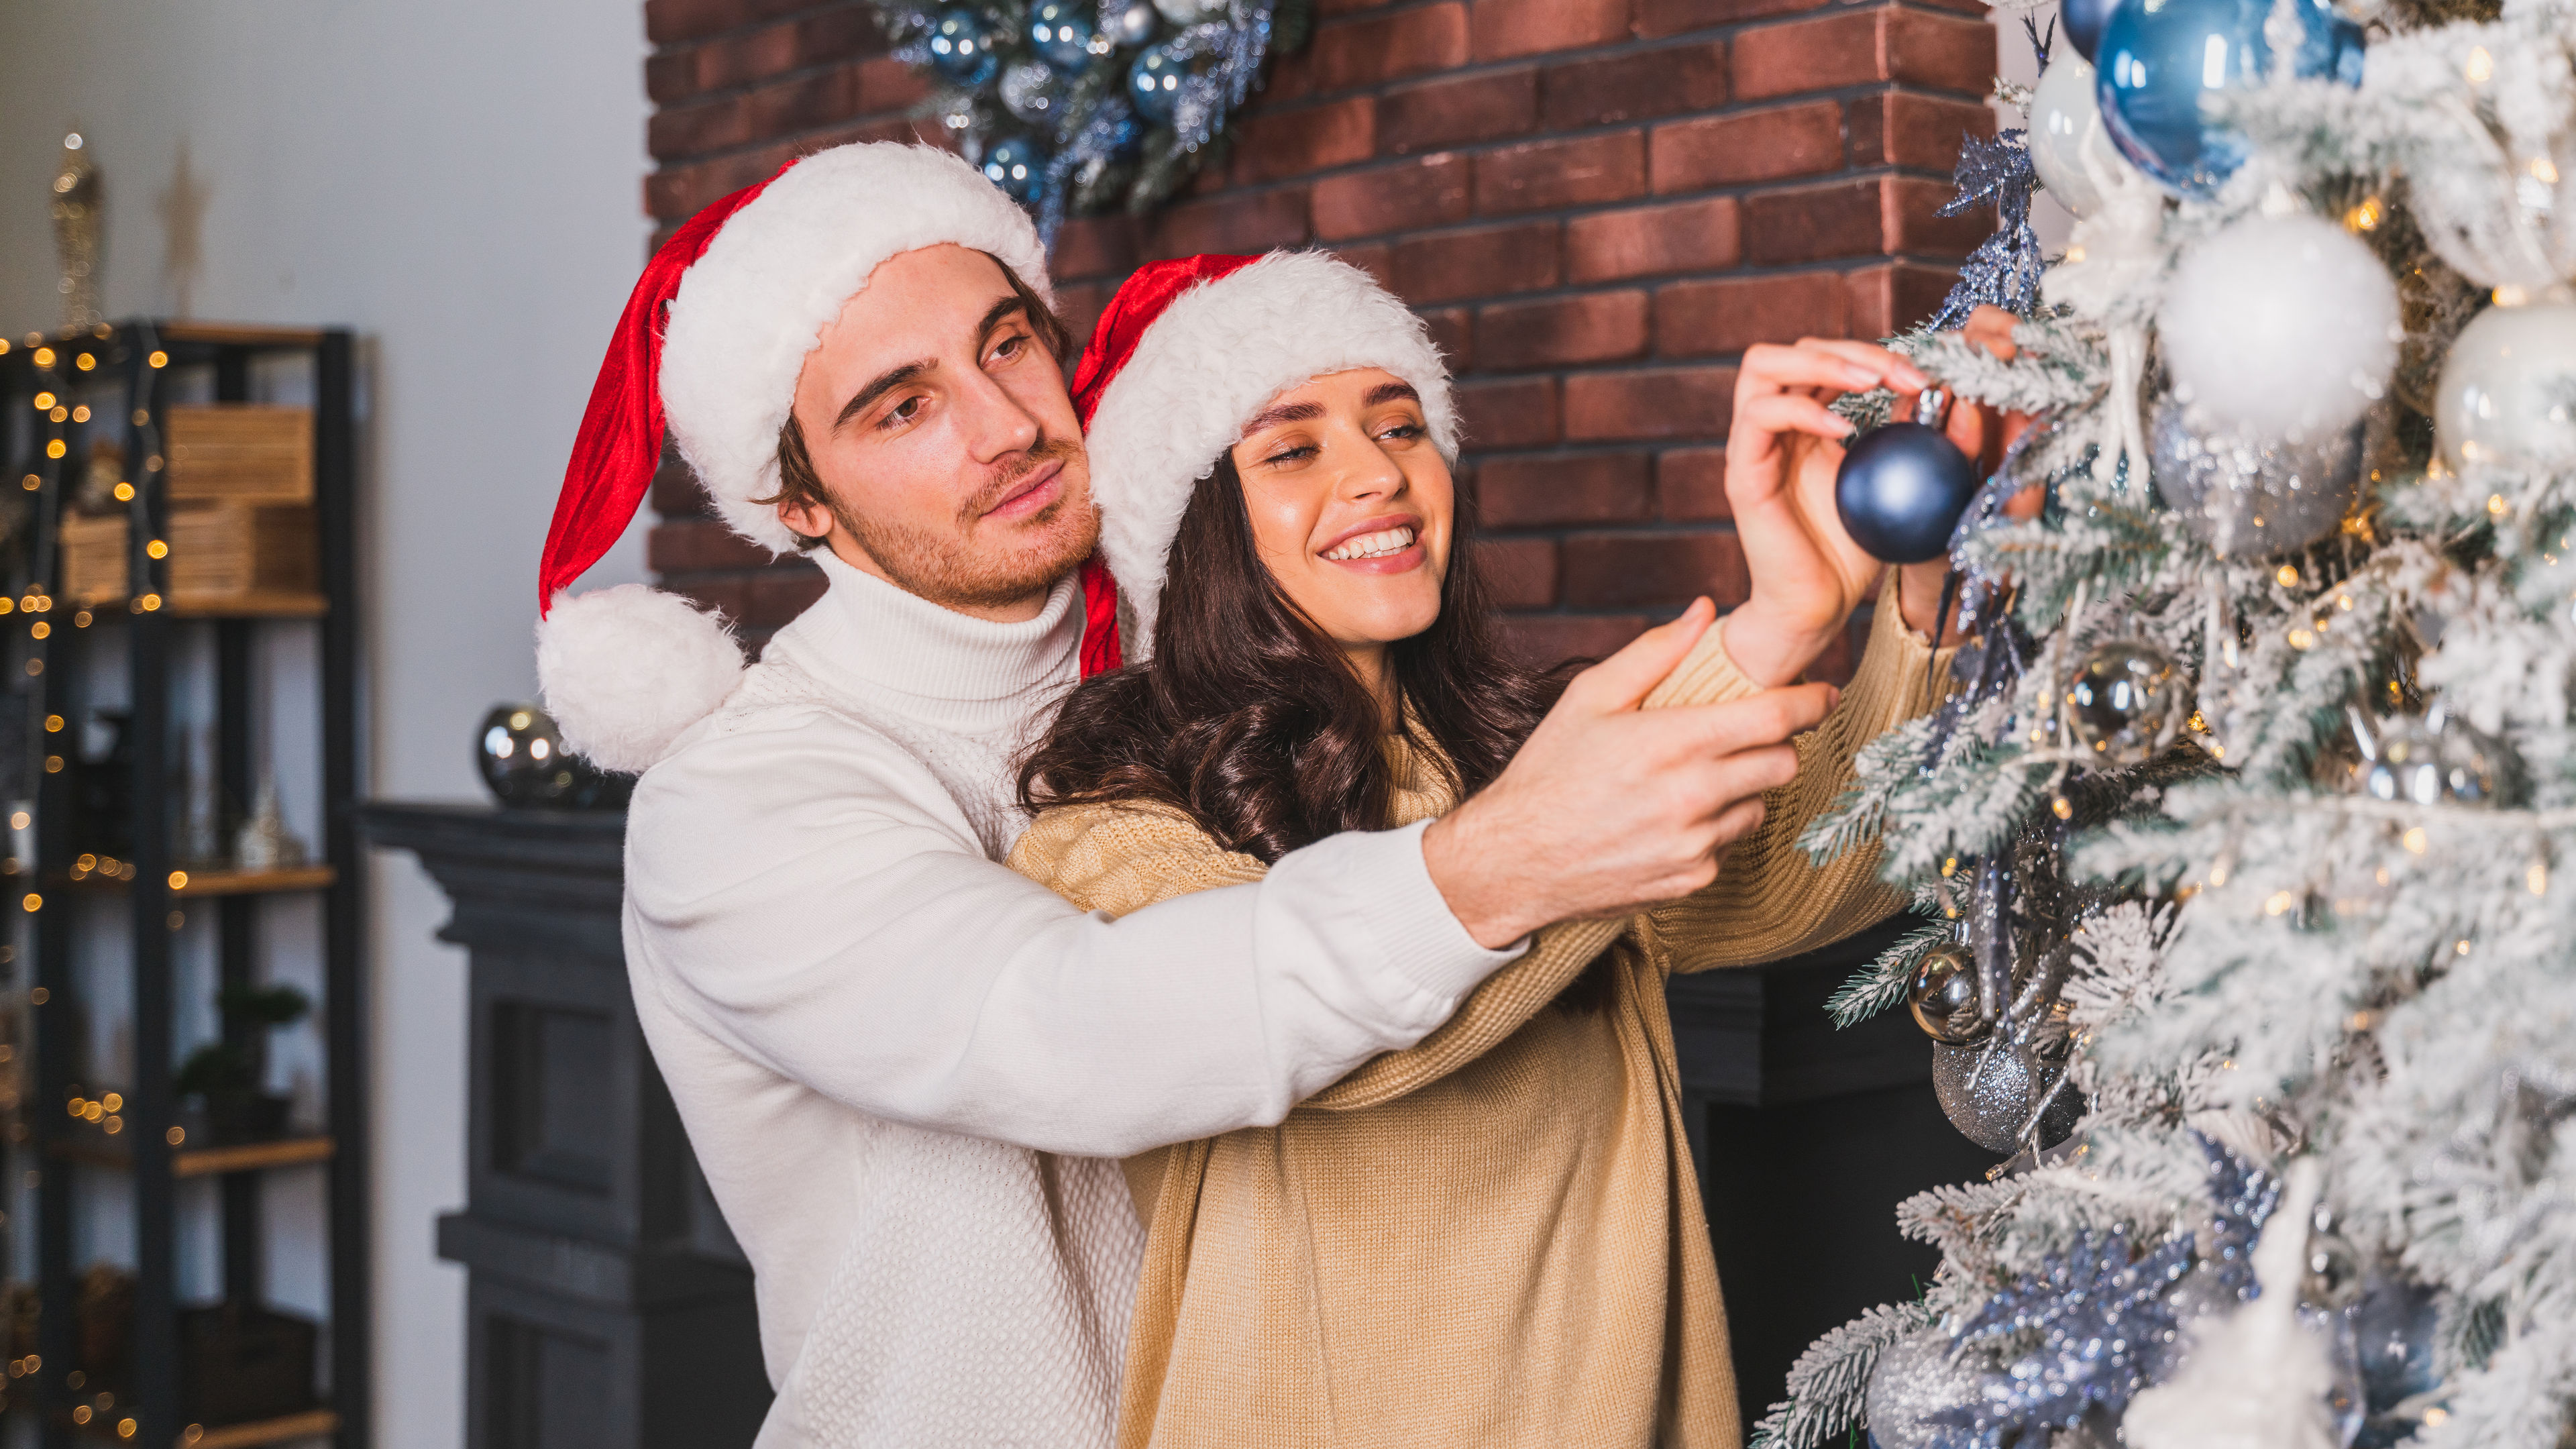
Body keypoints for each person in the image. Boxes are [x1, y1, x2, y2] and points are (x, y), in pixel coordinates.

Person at [529, 143, 1878, 1446]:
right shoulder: (742, 801)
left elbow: (1711, 869)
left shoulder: (1237, 695)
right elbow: (1067, 1024)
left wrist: (1841, 612)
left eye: (1008, 344)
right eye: (902, 406)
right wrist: (1505, 862)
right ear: (796, 500)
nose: (1006, 426)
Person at [1006, 251, 1977, 1447]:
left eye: (1402, 425)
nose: (1378, 475)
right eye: (1293, 447)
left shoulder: (1509, 767)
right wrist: (1741, 663)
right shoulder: (1113, 840)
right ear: (1198, 524)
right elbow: (1342, 1029)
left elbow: (1815, 863)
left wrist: (1894, 601)